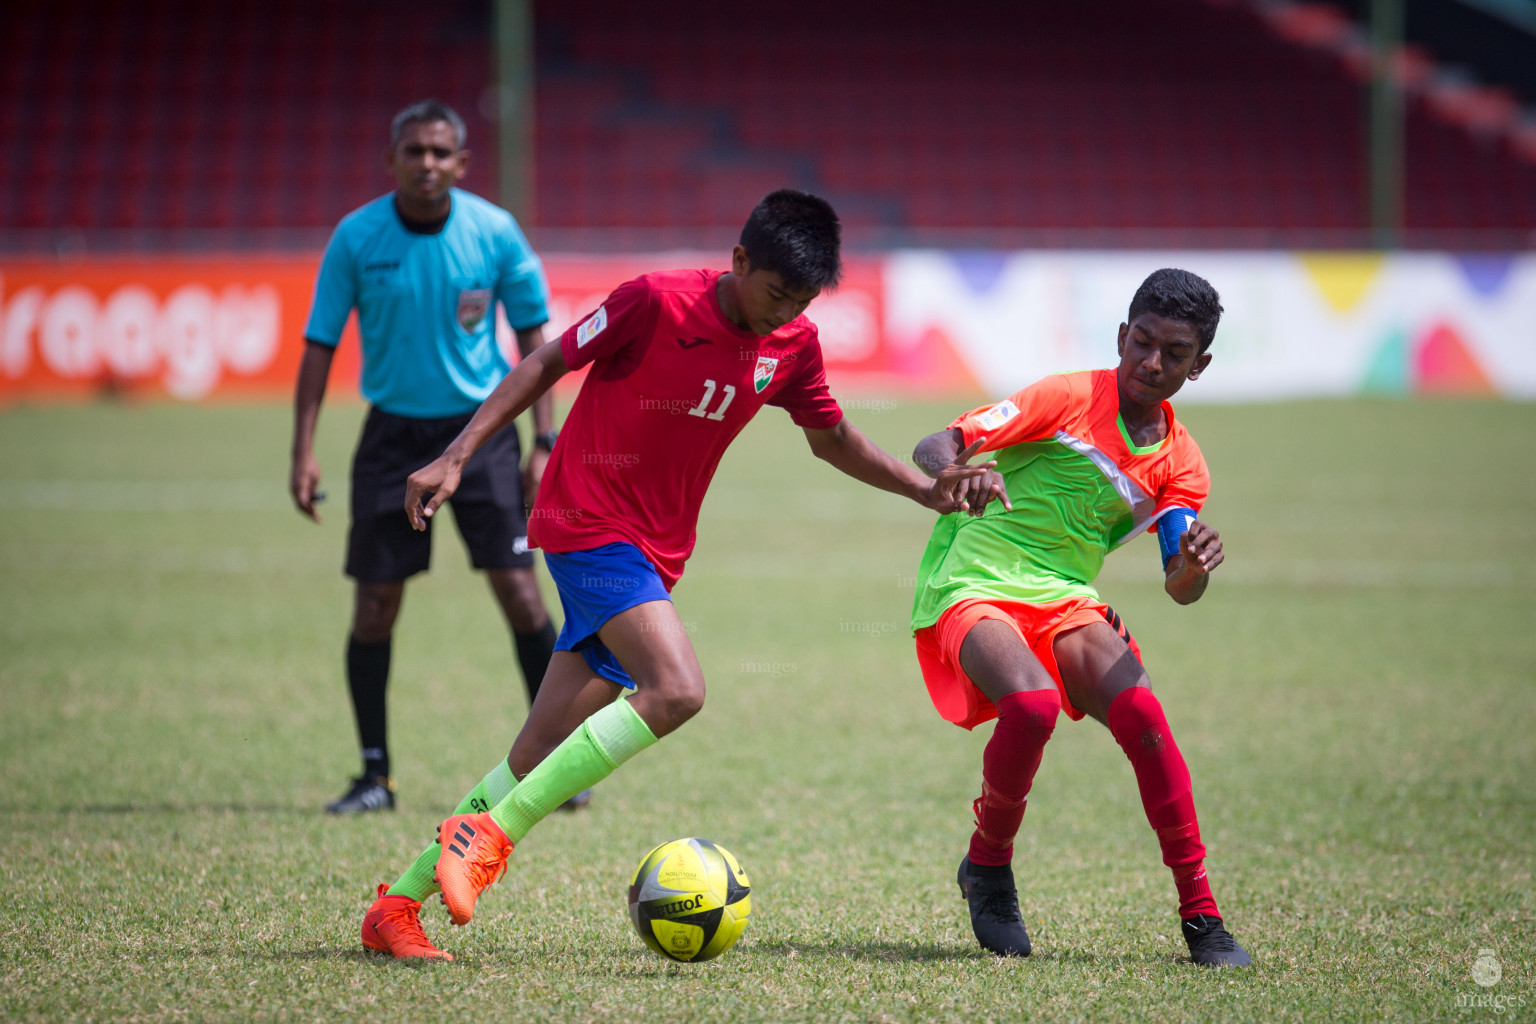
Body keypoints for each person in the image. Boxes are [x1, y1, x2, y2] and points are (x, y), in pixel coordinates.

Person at [357, 188, 1007, 960]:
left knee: (536, 753)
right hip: (587, 520)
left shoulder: (793, 343)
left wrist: (924, 489)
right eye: (773, 294)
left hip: (656, 554)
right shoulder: (655, 302)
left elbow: (832, 440)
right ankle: (490, 838)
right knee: (678, 689)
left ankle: (395, 907)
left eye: (799, 301)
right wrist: (458, 455)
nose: (781, 314)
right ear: (739, 261)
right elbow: (543, 363)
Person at [909, 268, 1251, 967]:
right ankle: (990, 867)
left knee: (1145, 719)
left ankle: (1202, 917)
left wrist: (1194, 563)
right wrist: (957, 471)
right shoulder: (1066, 397)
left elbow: (1178, 587)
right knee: (1031, 705)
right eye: (1143, 343)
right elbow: (937, 445)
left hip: (1063, 594)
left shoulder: (1181, 464)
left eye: (1175, 354)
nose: (1152, 363)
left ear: (1201, 365)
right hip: (974, 577)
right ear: (1122, 335)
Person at [290, 99, 566, 815]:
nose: (428, 164)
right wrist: (304, 450)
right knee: (376, 606)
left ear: (462, 163)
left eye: (441, 153)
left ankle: (554, 770)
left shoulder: (493, 233)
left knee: (521, 592)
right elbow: (319, 343)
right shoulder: (356, 238)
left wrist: (544, 439)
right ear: (392, 160)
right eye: (414, 151)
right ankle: (374, 775)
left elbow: (540, 342)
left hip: (483, 432)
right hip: (391, 440)